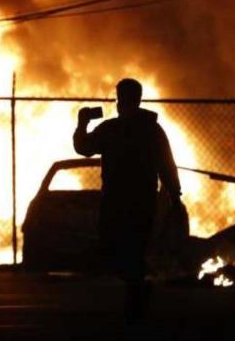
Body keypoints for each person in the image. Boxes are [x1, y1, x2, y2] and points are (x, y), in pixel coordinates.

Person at [73, 78, 182, 323]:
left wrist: (82, 124)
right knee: (134, 248)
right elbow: (167, 165)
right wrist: (175, 195)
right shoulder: (152, 130)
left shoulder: (112, 129)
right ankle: (137, 291)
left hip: (116, 201)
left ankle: (136, 297)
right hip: (143, 202)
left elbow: (84, 147)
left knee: (115, 246)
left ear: (120, 100)